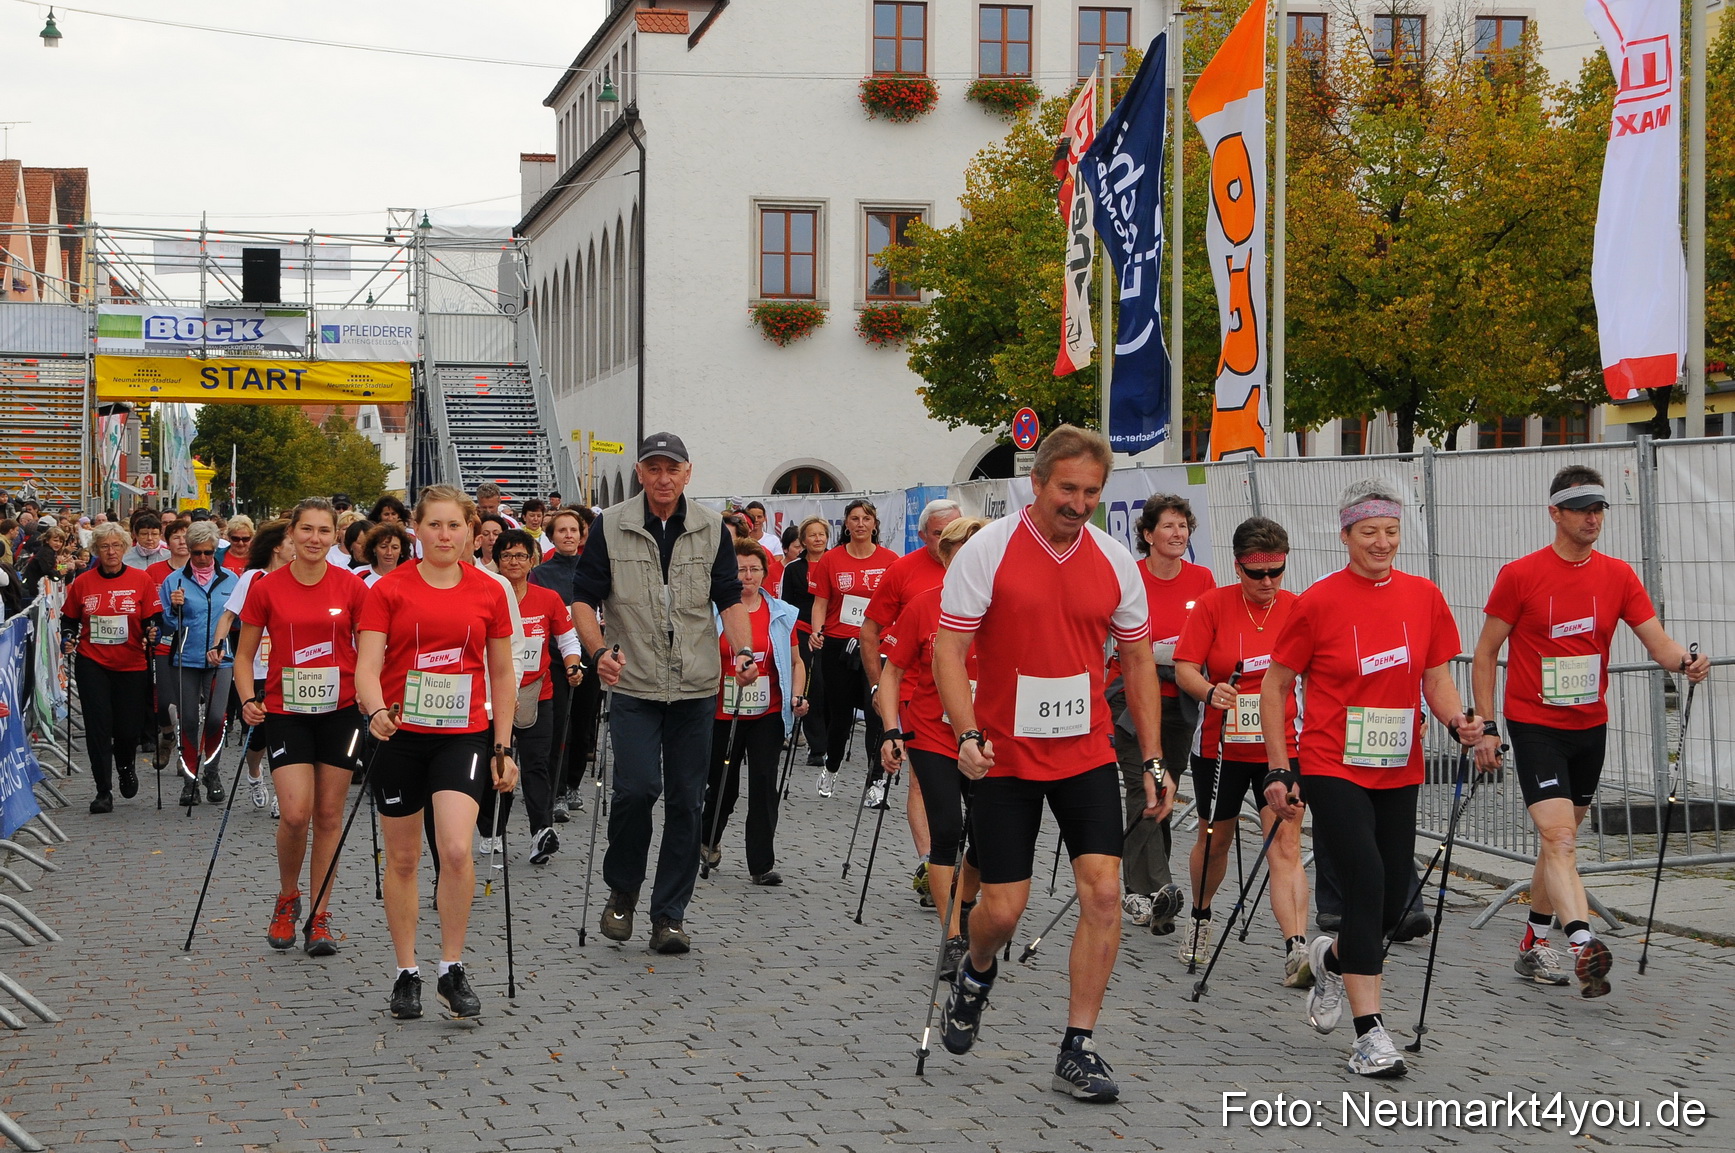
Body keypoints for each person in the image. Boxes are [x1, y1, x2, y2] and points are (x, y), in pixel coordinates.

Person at [932, 426, 1166, 1103]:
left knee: (1100, 893)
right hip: (1003, 753)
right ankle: (975, 972)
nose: (1079, 502)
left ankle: (1078, 1044)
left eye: (1091, 491)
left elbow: (1137, 660)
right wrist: (966, 731)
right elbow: (949, 651)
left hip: (1085, 750)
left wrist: (1150, 755)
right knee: (1002, 912)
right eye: (1067, 488)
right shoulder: (987, 551)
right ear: (1034, 483)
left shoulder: (1115, 559)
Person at [1260, 480, 1482, 1079]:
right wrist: (1281, 767)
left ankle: (1331, 958)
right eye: (1368, 533)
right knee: (1365, 880)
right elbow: (1275, 685)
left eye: (1390, 531)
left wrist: (1459, 720)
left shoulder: (1424, 597)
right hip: (1333, 764)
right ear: (1346, 536)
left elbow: (1434, 678)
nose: (1381, 543)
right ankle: (1370, 1032)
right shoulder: (1318, 603)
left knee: (1388, 906)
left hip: (1396, 765)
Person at [1472, 465, 1707, 998]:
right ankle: (1582, 942)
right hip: (1534, 724)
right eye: (1581, 509)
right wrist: (1486, 724)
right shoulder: (1521, 574)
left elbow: (1659, 644)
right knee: (1557, 837)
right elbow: (1485, 653)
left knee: (1561, 844)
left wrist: (1686, 661)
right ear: (1555, 513)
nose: (1592, 518)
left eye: (1599, 509)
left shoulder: (1618, 575)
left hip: (1589, 725)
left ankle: (1532, 944)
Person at [569, 432, 756, 955]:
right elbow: (584, 597)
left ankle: (669, 916)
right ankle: (623, 890)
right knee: (636, 790)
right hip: (633, 681)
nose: (663, 477)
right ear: (640, 472)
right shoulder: (611, 525)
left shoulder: (711, 528)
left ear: (688, 472)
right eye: (653, 468)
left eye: (672, 468)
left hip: (696, 686)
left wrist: (744, 653)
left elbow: (728, 597)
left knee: (686, 803)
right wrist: (598, 648)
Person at [355, 485, 519, 1020]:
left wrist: (503, 744)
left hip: (464, 733)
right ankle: (408, 973)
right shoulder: (387, 590)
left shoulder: (491, 591)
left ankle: (452, 967)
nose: (445, 536)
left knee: (454, 850)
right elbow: (366, 666)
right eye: (434, 526)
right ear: (415, 531)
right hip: (400, 734)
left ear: (471, 532)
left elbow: (501, 672)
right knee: (403, 857)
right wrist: (376, 709)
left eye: (455, 526)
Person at [1173, 516, 1311, 981]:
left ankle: (1297, 948)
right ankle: (1200, 915)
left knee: (1285, 845)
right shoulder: (1213, 605)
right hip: (1221, 747)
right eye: (1257, 574)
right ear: (1238, 568)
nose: (1268, 583)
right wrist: (1210, 691)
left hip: (1280, 748)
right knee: (1215, 841)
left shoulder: (1298, 608)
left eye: (1277, 571)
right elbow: (1185, 667)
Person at [233, 499, 370, 957]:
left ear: (336, 536)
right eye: (306, 530)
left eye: (324, 531)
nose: (315, 539)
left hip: (342, 712)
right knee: (294, 814)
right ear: (291, 534)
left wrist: (375, 702)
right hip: (287, 711)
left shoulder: (352, 586)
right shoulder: (266, 587)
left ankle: (319, 915)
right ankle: (287, 897)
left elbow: (371, 652)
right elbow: (244, 656)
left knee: (329, 816)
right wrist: (249, 700)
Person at [877, 515, 988, 977]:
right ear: (946, 557)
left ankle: (964, 904)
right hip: (932, 734)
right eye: (960, 550)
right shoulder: (925, 606)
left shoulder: (1005, 607)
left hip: (989, 740)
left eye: (979, 551)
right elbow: (893, 672)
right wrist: (890, 729)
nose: (970, 559)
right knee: (946, 829)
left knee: (985, 839)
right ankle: (952, 936)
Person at [1115, 494, 1215, 935]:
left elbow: (1210, 638)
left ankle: (1143, 888)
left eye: (1183, 526)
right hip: (1133, 695)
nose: (1177, 534)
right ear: (1148, 534)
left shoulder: (1202, 579)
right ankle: (1156, 887)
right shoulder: (1130, 577)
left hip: (1181, 697)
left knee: (1166, 790)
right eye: (1169, 527)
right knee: (1146, 786)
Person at [862, 498, 962, 896]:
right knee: (921, 782)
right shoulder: (903, 571)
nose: (950, 541)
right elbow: (869, 632)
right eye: (940, 534)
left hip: (969, 702)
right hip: (914, 694)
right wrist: (877, 687)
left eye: (958, 532)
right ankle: (930, 861)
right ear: (923, 536)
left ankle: (965, 864)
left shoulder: (983, 577)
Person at [700, 538, 807, 885]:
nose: (747, 576)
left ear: (765, 572)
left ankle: (761, 863)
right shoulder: (713, 612)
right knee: (722, 786)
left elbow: (794, 661)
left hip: (767, 711)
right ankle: (708, 839)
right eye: (740, 569)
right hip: (721, 711)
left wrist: (797, 694)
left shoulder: (781, 613)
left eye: (754, 569)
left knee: (763, 785)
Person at [488, 528, 585, 864]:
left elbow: (568, 640)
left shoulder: (548, 599)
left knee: (537, 765)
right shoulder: (487, 595)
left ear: (532, 561)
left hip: (536, 691)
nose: (514, 562)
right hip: (491, 694)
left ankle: (540, 833)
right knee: (497, 763)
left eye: (520, 555)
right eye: (507, 555)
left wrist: (573, 665)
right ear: (497, 561)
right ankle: (492, 831)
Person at [61, 523, 160, 812]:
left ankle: (126, 766)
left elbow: (153, 619)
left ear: (125, 548)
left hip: (131, 663)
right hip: (93, 662)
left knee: (128, 729)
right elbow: (69, 619)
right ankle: (103, 790)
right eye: (104, 546)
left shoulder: (141, 580)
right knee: (98, 727)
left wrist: (152, 630)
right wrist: (68, 636)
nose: (111, 551)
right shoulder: (83, 582)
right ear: (96, 550)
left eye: (116, 546)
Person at [807, 500, 897, 800]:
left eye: (866, 518)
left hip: (877, 644)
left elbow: (899, 604)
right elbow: (820, 602)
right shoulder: (831, 560)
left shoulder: (890, 560)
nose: (860, 523)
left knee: (877, 713)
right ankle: (831, 766)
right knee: (841, 715)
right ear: (845, 524)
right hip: (838, 644)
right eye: (854, 518)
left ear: (874, 524)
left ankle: (876, 782)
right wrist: (817, 631)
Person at [211, 519, 295, 818]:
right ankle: (255, 771)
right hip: (257, 665)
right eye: (291, 543)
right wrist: (218, 644)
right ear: (276, 547)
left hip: (286, 668)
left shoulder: (297, 578)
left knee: (280, 733)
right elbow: (228, 616)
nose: (297, 548)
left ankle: (282, 794)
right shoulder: (252, 578)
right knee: (257, 736)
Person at [160, 522, 240, 806]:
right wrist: (174, 607)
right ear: (190, 552)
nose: (203, 558)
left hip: (221, 659)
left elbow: (239, 621)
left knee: (217, 718)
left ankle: (213, 772)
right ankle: (189, 779)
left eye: (208, 552)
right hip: (186, 658)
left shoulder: (231, 580)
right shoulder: (175, 581)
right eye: (197, 553)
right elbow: (168, 624)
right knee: (189, 720)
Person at [530, 507, 599, 821]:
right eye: (562, 531)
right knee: (560, 725)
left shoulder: (594, 568)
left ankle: (573, 783)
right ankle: (556, 790)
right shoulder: (542, 573)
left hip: (590, 655)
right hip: (556, 658)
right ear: (552, 536)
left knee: (584, 725)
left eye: (574, 530)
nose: (569, 535)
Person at [780, 516, 830, 769]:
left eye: (821, 534)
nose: (818, 539)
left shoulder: (835, 562)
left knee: (830, 686)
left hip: (831, 632)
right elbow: (786, 604)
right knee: (813, 685)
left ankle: (833, 739)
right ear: (803, 540)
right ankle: (817, 746)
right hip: (801, 631)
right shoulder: (793, 569)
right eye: (812, 535)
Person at [355, 523, 411, 587]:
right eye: (383, 547)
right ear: (374, 549)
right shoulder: (359, 575)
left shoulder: (409, 578)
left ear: (401, 550)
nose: (389, 552)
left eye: (395, 548)